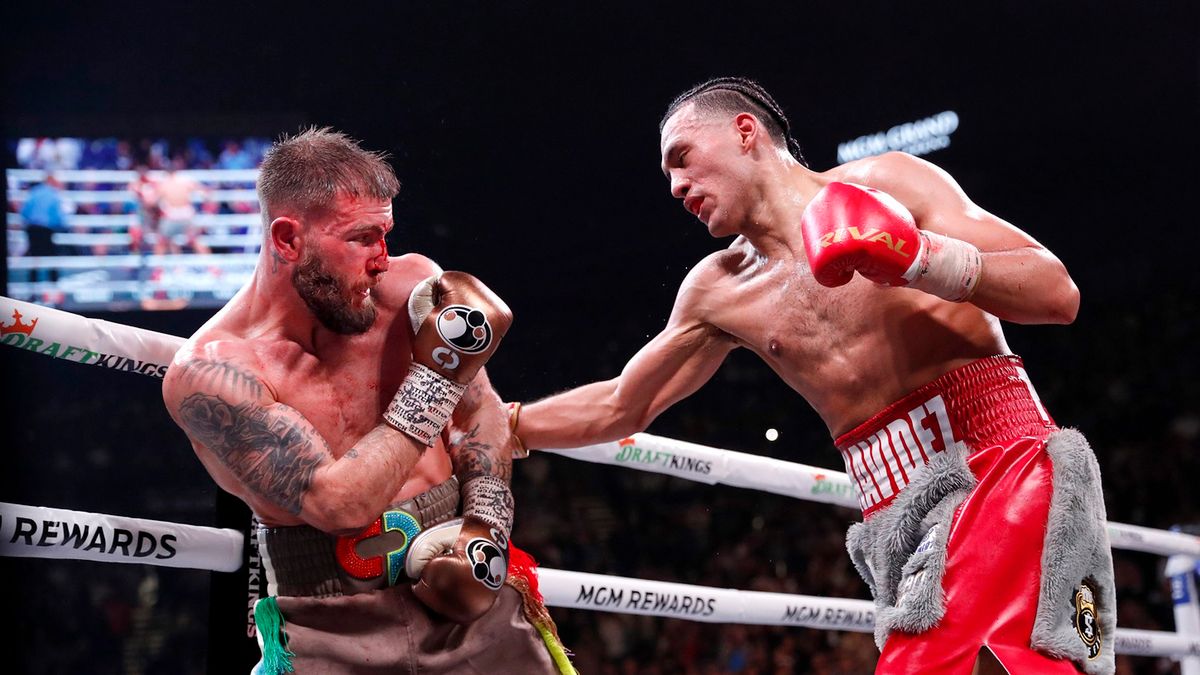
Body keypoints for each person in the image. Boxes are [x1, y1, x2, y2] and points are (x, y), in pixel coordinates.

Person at [510, 78, 1115, 675]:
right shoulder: (717, 290)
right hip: (895, 516)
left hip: (999, 465)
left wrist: (917, 257)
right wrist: (506, 424)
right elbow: (622, 404)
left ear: (744, 131)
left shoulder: (890, 184)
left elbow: (1057, 293)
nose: (675, 186)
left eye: (682, 159)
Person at [161, 127, 572, 674]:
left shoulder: (412, 288)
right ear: (288, 240)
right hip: (327, 619)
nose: (382, 258)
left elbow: (481, 412)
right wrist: (438, 372)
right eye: (362, 238)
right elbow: (341, 506)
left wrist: (487, 532)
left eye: (386, 234)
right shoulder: (214, 373)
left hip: (469, 571)